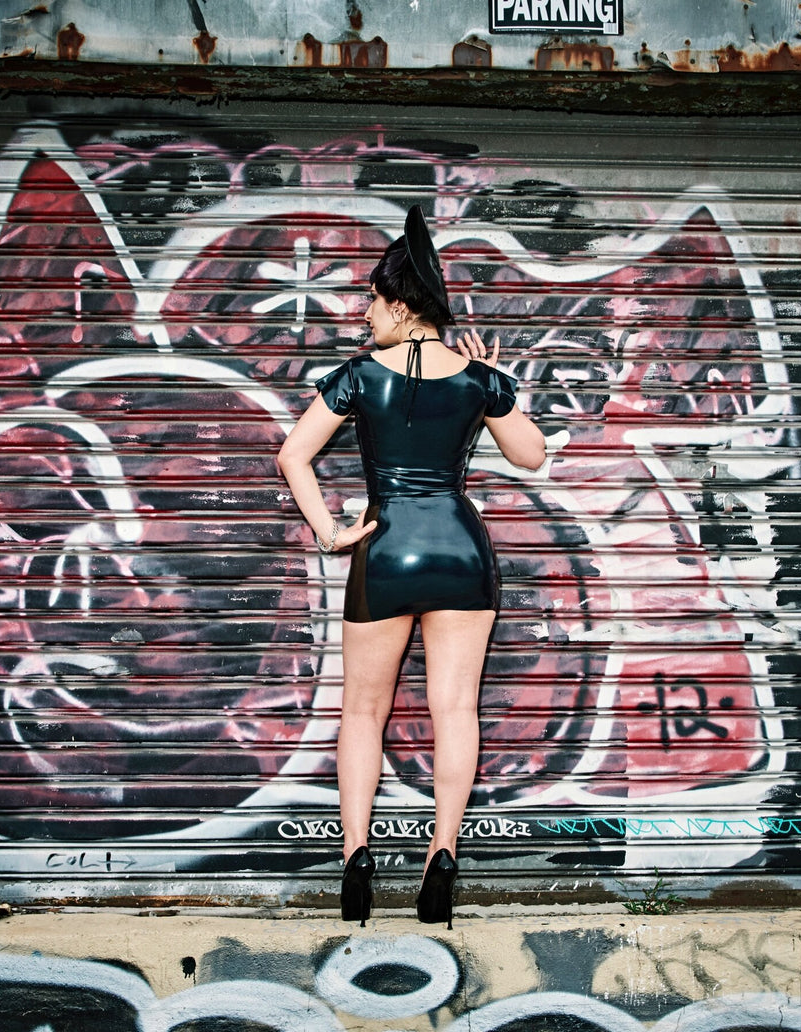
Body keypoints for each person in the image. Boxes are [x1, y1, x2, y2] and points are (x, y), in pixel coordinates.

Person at [276, 205, 546, 928]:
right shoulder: (477, 379)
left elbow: (292, 455)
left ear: (399, 305)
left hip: (386, 547)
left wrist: (331, 532)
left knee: (363, 712)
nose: (364, 314)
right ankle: (441, 856)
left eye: (371, 300)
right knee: (454, 710)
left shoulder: (359, 375)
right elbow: (531, 454)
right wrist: (495, 380)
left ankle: (356, 860)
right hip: (461, 550)